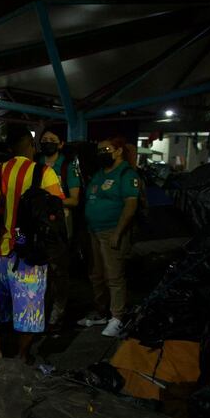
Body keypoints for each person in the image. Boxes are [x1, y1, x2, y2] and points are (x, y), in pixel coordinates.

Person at [0, 125, 65, 362]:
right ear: (31, 146)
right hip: (28, 253)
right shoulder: (44, 172)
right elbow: (55, 212)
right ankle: (21, 356)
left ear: (10, 148)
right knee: (29, 309)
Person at [79, 136, 140, 338]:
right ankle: (101, 312)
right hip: (94, 231)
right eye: (99, 150)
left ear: (118, 151)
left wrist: (118, 232)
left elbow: (131, 205)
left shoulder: (126, 173)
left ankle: (118, 317)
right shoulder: (99, 174)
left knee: (114, 277)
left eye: (105, 149)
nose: (101, 154)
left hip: (111, 231)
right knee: (96, 275)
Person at [37, 127, 81, 330]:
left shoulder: (67, 166)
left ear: (60, 144)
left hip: (60, 222)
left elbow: (74, 200)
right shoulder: (36, 164)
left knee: (59, 269)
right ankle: (42, 308)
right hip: (39, 222)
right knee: (41, 267)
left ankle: (58, 310)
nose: (47, 142)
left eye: (52, 139)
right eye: (44, 139)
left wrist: (52, 201)